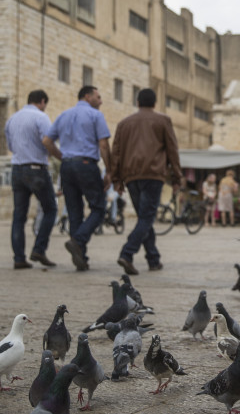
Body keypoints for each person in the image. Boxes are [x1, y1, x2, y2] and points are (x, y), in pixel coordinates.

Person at [110, 88, 182, 275]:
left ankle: (153, 259)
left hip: (131, 176)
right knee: (147, 217)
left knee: (144, 217)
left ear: (137, 102)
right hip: (153, 174)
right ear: (155, 103)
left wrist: (116, 179)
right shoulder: (162, 121)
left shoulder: (124, 123)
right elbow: (172, 150)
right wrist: (176, 178)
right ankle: (127, 253)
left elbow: (115, 153)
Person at [42, 85, 111, 271]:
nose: (101, 100)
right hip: (86, 164)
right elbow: (103, 144)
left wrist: (62, 157)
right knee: (99, 207)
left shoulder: (64, 115)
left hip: (67, 166)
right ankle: (78, 241)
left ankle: (81, 257)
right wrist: (109, 171)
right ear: (87, 97)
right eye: (98, 96)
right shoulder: (95, 115)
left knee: (74, 212)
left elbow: (47, 141)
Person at [6, 90, 57, 269]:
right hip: (36, 169)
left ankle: (19, 258)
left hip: (17, 169)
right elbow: (47, 141)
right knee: (50, 208)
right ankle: (39, 249)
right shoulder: (41, 117)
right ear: (42, 101)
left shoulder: (12, 118)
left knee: (19, 215)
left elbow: (10, 145)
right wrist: (59, 156)